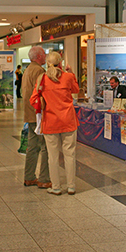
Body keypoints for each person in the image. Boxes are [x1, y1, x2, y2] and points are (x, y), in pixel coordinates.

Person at [30, 51, 79, 195]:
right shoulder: (68, 77)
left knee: (53, 156)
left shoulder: (42, 79)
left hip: (50, 122)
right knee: (69, 154)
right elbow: (76, 90)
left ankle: (56, 187)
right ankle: (71, 186)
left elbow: (33, 100)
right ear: (60, 63)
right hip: (68, 120)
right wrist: (70, 72)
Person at [21, 46, 51, 189]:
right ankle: (44, 178)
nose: (45, 57)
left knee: (32, 146)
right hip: (38, 114)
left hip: (29, 113)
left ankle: (29, 177)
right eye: (44, 54)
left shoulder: (27, 70)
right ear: (39, 56)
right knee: (45, 146)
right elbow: (44, 92)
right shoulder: (39, 71)